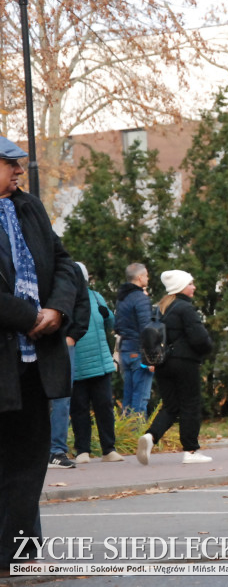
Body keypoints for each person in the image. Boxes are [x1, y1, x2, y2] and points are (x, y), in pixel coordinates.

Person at [0, 136, 78, 576]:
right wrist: (27, 315)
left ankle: (14, 556)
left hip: (33, 360)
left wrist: (56, 309)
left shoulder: (29, 207)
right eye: (9, 163)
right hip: (5, 353)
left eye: (19, 163)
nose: (18, 171)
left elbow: (64, 263)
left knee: (28, 464)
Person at [135, 270, 213, 465]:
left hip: (162, 363)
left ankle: (150, 437)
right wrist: (207, 348)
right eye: (190, 284)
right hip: (185, 362)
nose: (193, 287)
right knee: (190, 404)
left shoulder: (161, 308)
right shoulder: (185, 308)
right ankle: (191, 451)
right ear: (180, 287)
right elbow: (199, 337)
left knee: (171, 406)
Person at [70, 262, 123, 464]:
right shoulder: (82, 298)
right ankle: (89, 450)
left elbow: (110, 320)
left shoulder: (94, 296)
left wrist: (108, 315)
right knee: (83, 408)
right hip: (80, 364)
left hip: (96, 364)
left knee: (100, 407)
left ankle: (102, 450)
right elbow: (110, 321)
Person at [47, 261, 90, 469]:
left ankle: (56, 450)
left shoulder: (69, 268)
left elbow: (83, 302)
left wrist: (73, 335)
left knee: (61, 397)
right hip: (28, 339)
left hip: (62, 342)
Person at [115, 262, 154, 416]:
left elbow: (117, 326)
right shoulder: (140, 299)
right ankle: (137, 434)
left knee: (129, 397)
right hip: (139, 351)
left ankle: (126, 434)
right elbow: (147, 328)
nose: (148, 278)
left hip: (126, 350)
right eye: (146, 275)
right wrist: (151, 358)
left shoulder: (121, 298)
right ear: (139, 277)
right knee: (140, 398)